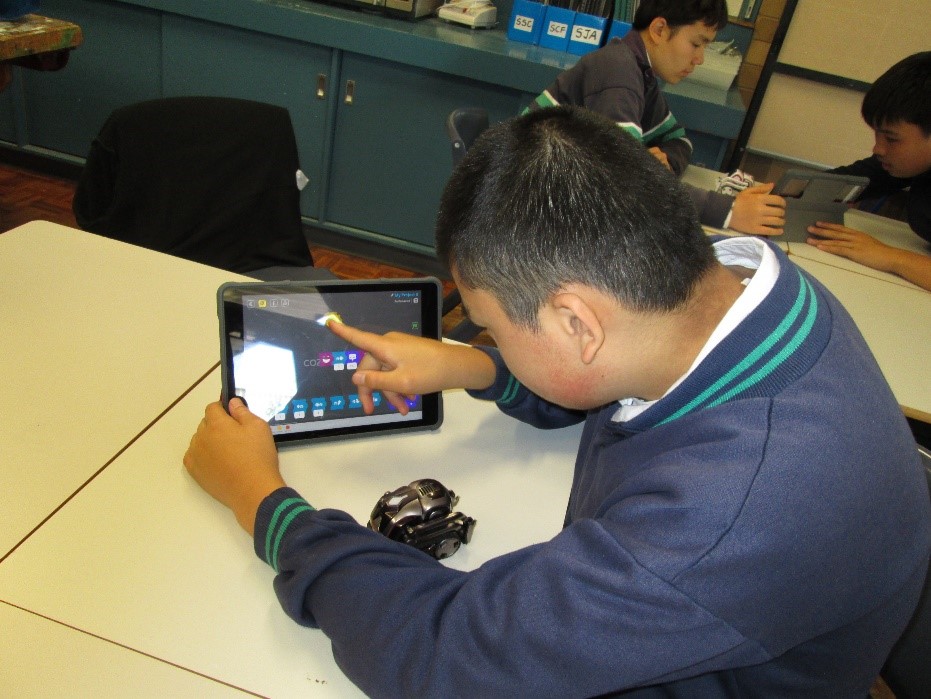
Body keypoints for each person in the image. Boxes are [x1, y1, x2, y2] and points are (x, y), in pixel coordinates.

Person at [184, 107, 930, 698]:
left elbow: (440, 655)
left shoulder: (721, 517)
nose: (488, 336)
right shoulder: (741, 286)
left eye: (493, 324)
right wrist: (475, 366)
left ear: (577, 322)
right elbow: (607, 378)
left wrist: (262, 497)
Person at [525, 0, 787, 236]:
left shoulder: (641, 72)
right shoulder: (618, 70)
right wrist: (727, 211)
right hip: (532, 202)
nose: (700, 59)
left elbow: (678, 140)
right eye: (696, 44)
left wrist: (658, 161)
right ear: (659, 29)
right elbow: (625, 179)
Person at [808, 51, 931, 292]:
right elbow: (863, 177)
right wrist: (790, 191)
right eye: (877, 134)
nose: (878, 148)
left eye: (892, 139)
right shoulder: (911, 163)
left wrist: (891, 257)